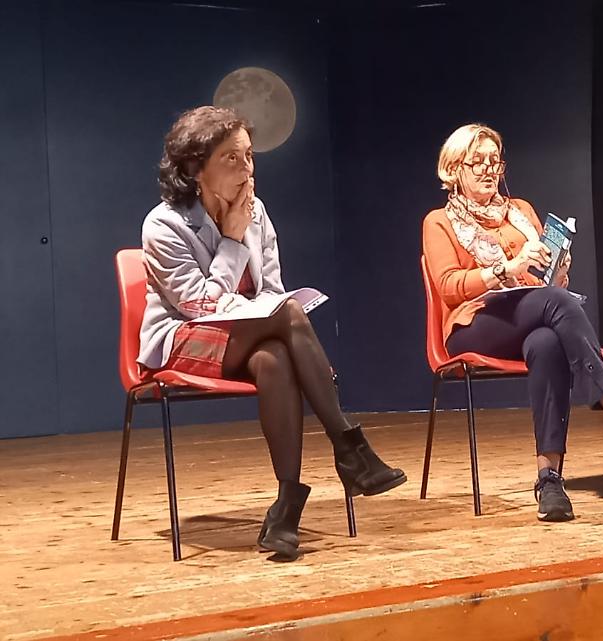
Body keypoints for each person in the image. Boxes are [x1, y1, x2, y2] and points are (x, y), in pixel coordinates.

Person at [139, 106, 405, 561]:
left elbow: (271, 291)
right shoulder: (163, 224)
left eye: (249, 155)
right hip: (184, 341)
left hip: (246, 336)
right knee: (289, 317)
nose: (246, 168)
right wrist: (231, 239)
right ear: (194, 169)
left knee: (275, 357)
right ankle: (348, 447)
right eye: (231, 158)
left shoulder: (257, 212)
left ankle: (286, 508)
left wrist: (249, 302)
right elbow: (199, 306)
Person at [422, 123, 603, 522]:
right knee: (553, 306)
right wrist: (506, 269)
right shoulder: (439, 221)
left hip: (530, 313)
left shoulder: (520, 211)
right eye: (479, 162)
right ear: (454, 169)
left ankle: (549, 479)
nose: (490, 169)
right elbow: (449, 287)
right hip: (474, 324)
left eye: (496, 161)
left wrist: (558, 270)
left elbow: (544, 287)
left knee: (546, 342)